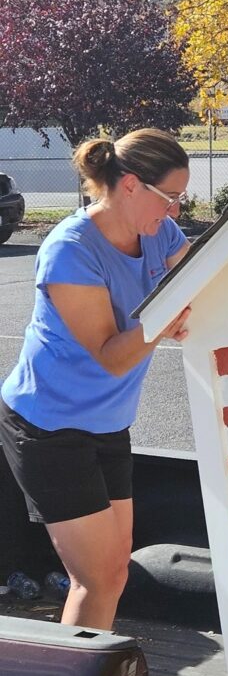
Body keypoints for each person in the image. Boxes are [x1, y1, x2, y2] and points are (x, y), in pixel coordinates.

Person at [0, 129, 193, 631]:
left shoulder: (160, 234)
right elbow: (111, 356)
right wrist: (168, 315)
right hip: (47, 428)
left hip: (107, 425)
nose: (175, 211)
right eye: (170, 197)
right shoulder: (70, 249)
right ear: (130, 185)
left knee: (113, 574)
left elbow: (201, 283)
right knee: (95, 579)